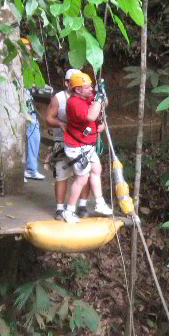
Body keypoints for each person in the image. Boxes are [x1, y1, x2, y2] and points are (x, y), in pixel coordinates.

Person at [60, 72, 112, 223]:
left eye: (91, 86)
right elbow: (90, 116)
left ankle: (99, 202)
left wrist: (102, 93)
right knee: (82, 178)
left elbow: (103, 104)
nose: (91, 89)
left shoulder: (86, 97)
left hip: (86, 145)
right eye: (87, 87)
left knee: (96, 170)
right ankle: (68, 210)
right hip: (77, 147)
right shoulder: (74, 103)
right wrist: (98, 99)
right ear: (77, 90)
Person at [44, 68, 90, 220]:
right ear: (67, 83)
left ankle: (82, 205)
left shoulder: (87, 96)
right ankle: (59, 208)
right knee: (61, 174)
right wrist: (60, 125)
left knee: (83, 173)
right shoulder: (59, 98)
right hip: (62, 140)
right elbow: (49, 118)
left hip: (82, 141)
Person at [20, 38, 45, 182]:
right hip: (15, 107)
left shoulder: (29, 67)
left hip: (28, 108)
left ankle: (31, 169)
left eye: (29, 50)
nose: (28, 53)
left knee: (34, 136)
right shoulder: (11, 65)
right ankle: (20, 171)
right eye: (25, 50)